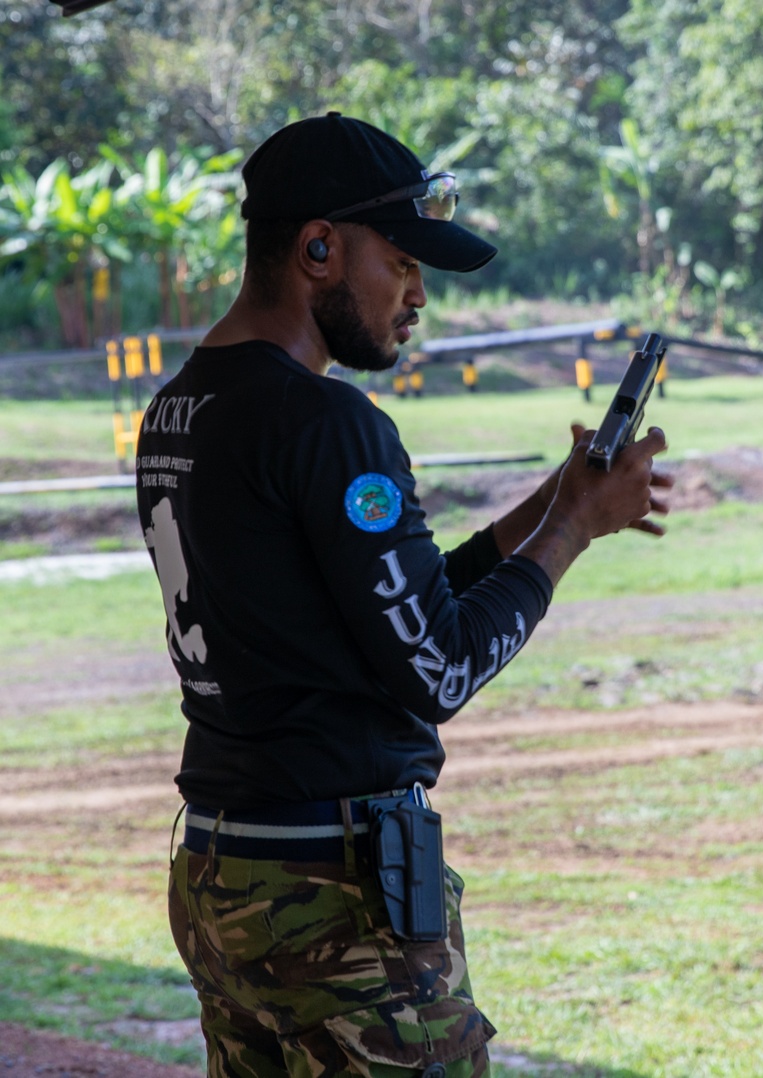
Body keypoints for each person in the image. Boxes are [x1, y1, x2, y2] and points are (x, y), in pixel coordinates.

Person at [135, 111, 669, 1078]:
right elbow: (439, 663)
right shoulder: (329, 422)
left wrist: (554, 500)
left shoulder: (182, 405)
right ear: (320, 249)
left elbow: (379, 602)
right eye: (404, 262)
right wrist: (576, 530)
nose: (419, 293)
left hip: (224, 871)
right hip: (330, 896)